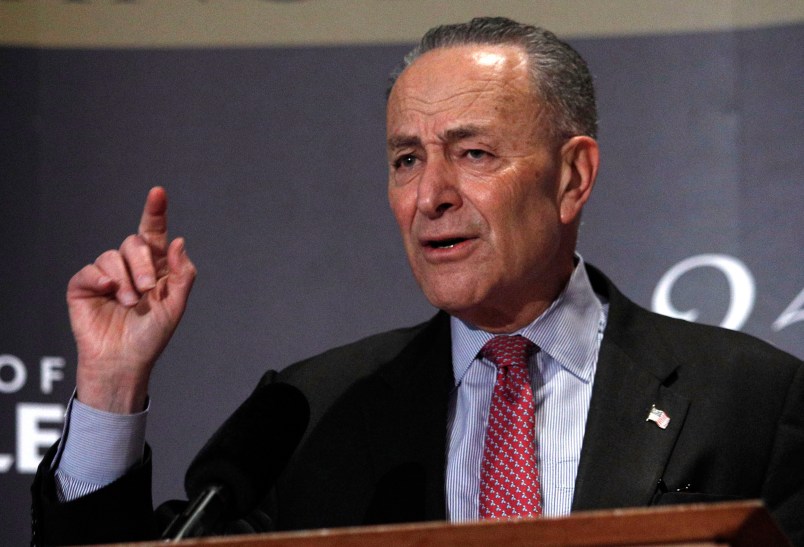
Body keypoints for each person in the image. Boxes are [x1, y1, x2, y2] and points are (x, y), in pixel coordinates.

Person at [31, 17, 803, 546]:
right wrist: (111, 381)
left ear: (574, 176)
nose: (430, 194)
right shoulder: (312, 417)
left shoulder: (752, 401)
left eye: (472, 154)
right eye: (406, 159)